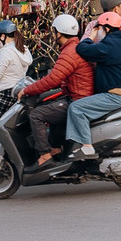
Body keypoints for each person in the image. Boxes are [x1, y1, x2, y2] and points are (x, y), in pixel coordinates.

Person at [20, 14, 94, 170]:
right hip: (78, 95)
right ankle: (55, 148)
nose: (52, 35)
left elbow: (52, 79)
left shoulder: (70, 52)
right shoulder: (74, 47)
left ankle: (45, 155)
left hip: (78, 99)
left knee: (37, 115)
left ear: (59, 33)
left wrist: (27, 90)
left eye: (53, 31)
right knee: (51, 106)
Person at [66, 11, 121, 159]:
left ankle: (86, 146)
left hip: (116, 95)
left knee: (76, 108)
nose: (98, 32)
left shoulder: (110, 45)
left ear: (106, 29)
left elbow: (82, 49)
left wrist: (90, 36)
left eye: (99, 28)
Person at [0, 20, 32, 138]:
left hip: (4, 93)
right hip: (17, 91)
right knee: (8, 126)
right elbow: (12, 65)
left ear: (3, 36)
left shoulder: (5, 50)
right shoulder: (22, 48)